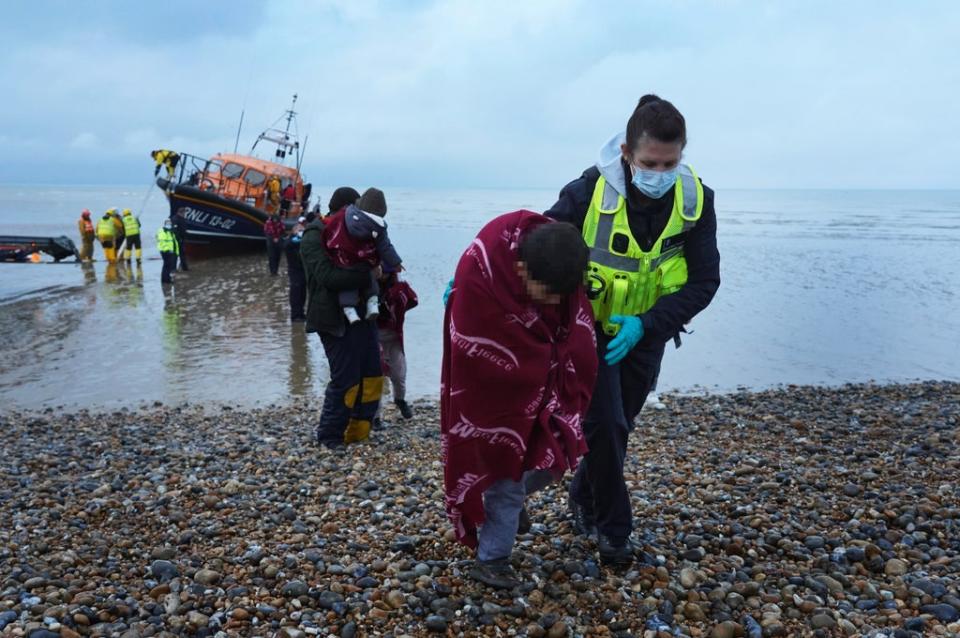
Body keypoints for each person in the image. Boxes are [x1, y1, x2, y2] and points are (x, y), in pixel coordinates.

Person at [544, 94, 721, 565]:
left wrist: (647, 325)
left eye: (670, 162)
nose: (659, 174)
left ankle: (583, 496)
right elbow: (536, 245)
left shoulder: (697, 200)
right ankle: (615, 532)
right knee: (606, 423)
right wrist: (479, 272)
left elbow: (705, 281)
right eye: (649, 163)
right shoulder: (585, 194)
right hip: (590, 331)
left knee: (621, 426)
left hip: (646, 333)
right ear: (626, 152)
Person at [441, 212, 598, 589]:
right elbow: (473, 346)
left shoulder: (561, 262)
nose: (554, 302)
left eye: (562, 295)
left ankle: (502, 501)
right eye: (546, 293)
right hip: (490, 395)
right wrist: (526, 370)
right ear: (522, 268)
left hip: (546, 382)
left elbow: (571, 330)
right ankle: (491, 559)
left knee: (558, 451)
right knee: (505, 472)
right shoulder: (483, 267)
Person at [301, 190, 384, 449]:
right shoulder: (314, 236)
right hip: (331, 319)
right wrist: (367, 274)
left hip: (362, 316)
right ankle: (330, 435)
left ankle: (360, 429)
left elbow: (379, 262)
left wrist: (380, 272)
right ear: (346, 208)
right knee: (345, 378)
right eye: (355, 210)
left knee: (372, 373)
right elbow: (328, 277)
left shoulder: (359, 234)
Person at [322, 188, 402, 324]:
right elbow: (385, 247)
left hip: (345, 260)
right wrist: (396, 263)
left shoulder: (343, 219)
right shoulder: (378, 227)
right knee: (370, 279)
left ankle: (349, 310)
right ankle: (372, 305)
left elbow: (333, 239)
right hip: (365, 261)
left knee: (348, 287)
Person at [377, 266, 418, 419]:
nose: (382, 274)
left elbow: (413, 300)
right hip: (373, 339)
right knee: (375, 378)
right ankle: (375, 416)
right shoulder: (368, 286)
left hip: (394, 338)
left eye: (386, 272)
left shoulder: (399, 287)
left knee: (399, 375)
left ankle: (400, 400)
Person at [286, 216, 308, 322]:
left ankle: (301, 313)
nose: (301, 231)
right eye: (299, 230)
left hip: (303, 270)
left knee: (303, 293)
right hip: (294, 270)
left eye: (302, 230)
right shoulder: (290, 242)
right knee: (296, 293)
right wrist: (296, 238)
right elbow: (287, 245)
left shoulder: (303, 242)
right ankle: (295, 316)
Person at [157, 219, 180, 284]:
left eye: (170, 223)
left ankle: (166, 279)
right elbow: (162, 241)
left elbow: (174, 242)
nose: (169, 224)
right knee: (167, 265)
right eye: (168, 223)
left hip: (171, 251)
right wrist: (167, 249)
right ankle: (165, 279)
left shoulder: (170, 231)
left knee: (168, 265)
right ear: (165, 224)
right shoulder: (163, 231)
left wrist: (176, 251)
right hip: (165, 251)